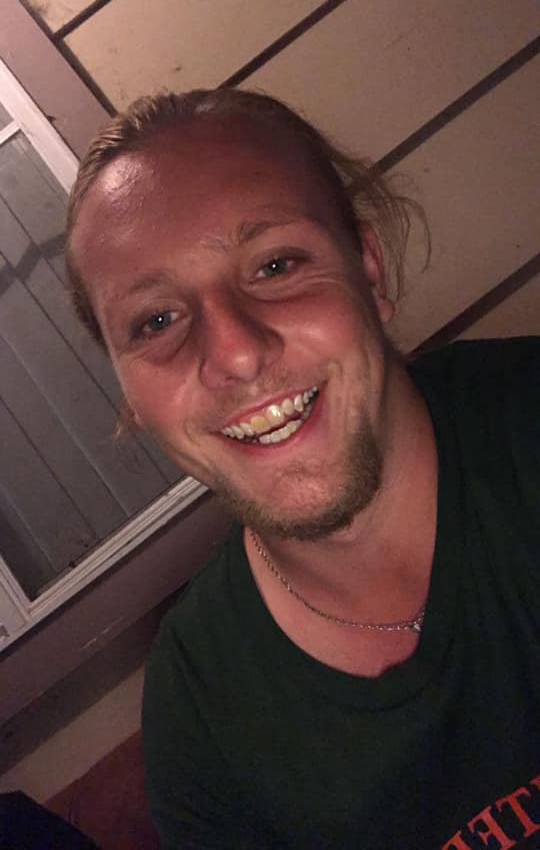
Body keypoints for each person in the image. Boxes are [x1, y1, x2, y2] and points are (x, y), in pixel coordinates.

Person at [65, 89, 540, 850]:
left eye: (276, 264)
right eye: (156, 321)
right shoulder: (202, 719)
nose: (235, 353)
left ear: (369, 272)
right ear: (132, 401)